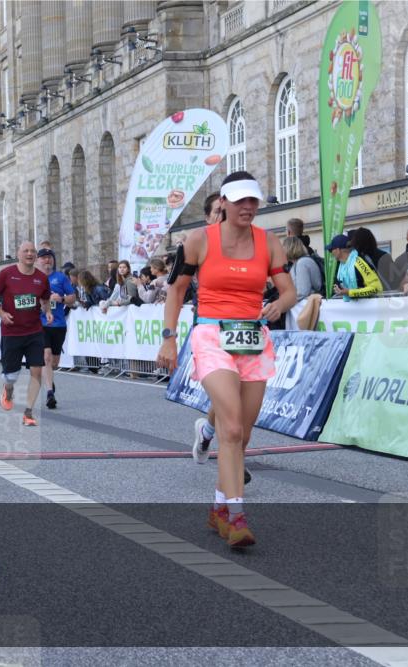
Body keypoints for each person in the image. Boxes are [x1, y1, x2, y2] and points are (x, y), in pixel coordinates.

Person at [157, 171, 296, 548]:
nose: (248, 207)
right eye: (241, 201)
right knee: (231, 429)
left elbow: (288, 291)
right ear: (224, 203)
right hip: (211, 334)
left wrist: (279, 304)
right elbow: (176, 290)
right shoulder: (199, 241)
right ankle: (237, 517)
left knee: (243, 435)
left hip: (252, 336)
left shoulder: (269, 243)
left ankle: (218, 507)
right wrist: (169, 339)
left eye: (253, 201)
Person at [0, 241, 53, 427]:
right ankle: (8, 390)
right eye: (26, 251)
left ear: (36, 255)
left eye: (32, 251)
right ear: (18, 254)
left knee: (36, 371)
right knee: (10, 376)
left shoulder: (41, 278)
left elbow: (45, 299)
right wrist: (1, 313)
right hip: (12, 332)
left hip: (34, 331)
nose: (29, 254)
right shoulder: (7, 274)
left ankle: (28, 412)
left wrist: (47, 312)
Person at [36, 248, 75, 410]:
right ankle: (50, 392)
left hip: (59, 325)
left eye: (49, 258)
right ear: (38, 261)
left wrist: (62, 298)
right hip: (41, 324)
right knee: (46, 357)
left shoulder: (60, 278)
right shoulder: (33, 278)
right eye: (44, 258)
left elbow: (72, 299)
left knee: (54, 362)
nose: (47, 261)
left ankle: (48, 378)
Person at [327, 234, 383, 300]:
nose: (330, 253)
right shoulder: (342, 265)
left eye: (331, 250)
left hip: (368, 307)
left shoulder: (359, 263)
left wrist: (350, 292)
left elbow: (376, 287)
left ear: (338, 250)